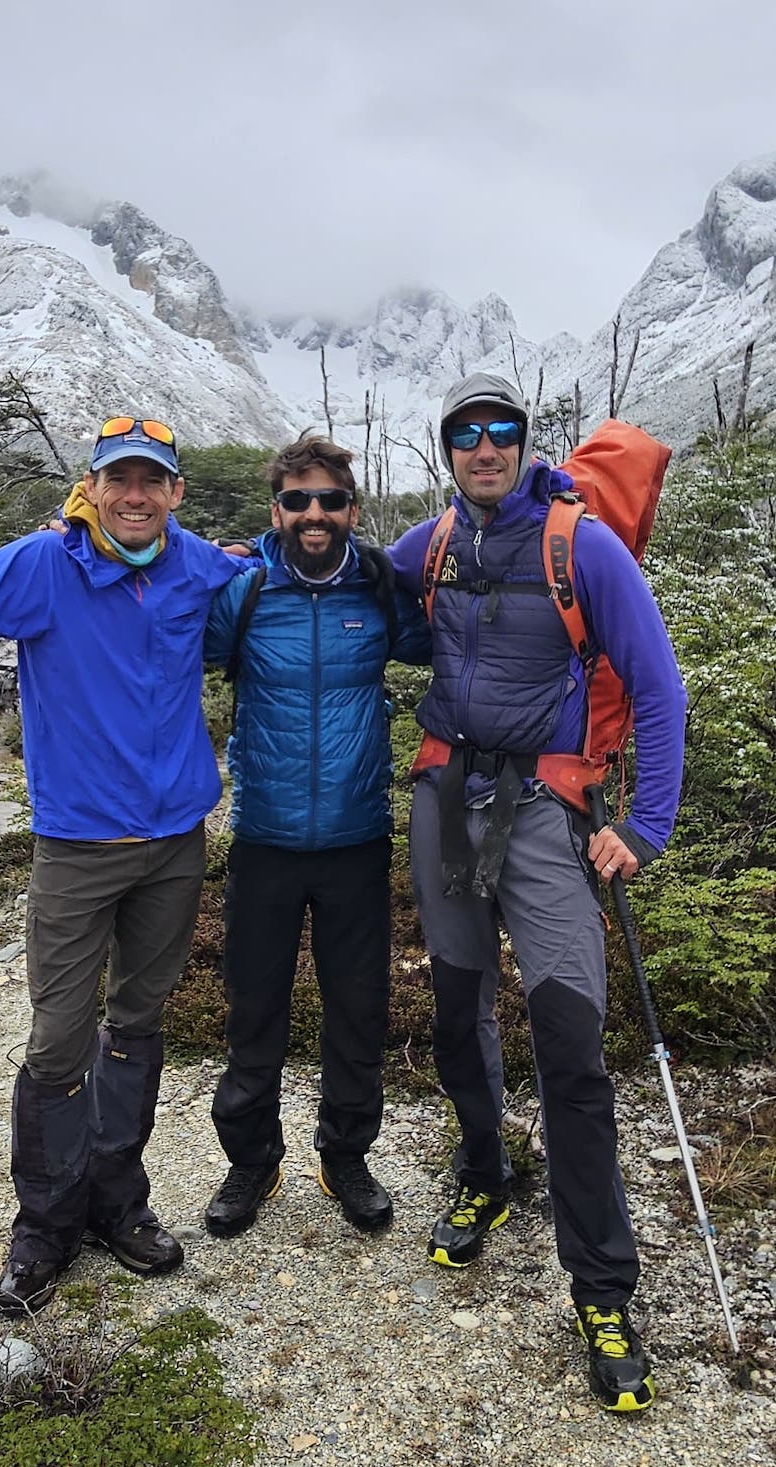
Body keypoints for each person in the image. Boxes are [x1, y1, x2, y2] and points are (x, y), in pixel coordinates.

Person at [0, 415, 250, 1319]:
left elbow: (290, 577)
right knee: (57, 1037)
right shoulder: (45, 565)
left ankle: (117, 1200)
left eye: (154, 481)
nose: (137, 496)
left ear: (176, 494)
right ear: (93, 485)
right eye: (120, 479)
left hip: (175, 842)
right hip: (77, 847)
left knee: (138, 1021)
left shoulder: (200, 565)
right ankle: (43, 1223)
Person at [384, 373, 690, 1414]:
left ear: (523, 444)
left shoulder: (580, 546)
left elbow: (659, 685)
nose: (484, 448)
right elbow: (325, 575)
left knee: (569, 1039)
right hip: (445, 800)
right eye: (466, 435)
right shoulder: (428, 547)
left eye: (500, 433)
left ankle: (603, 1291)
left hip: (550, 818)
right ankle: (486, 1172)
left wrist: (645, 825)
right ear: (447, 449)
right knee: (459, 1010)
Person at [197, 433, 429, 1239]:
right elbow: (169, 642)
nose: (315, 513)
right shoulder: (247, 591)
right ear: (277, 511)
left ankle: (346, 1157)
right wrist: (72, 538)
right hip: (263, 835)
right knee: (253, 1010)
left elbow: (450, 645)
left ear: (352, 510)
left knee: (357, 1010)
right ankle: (252, 1162)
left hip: (357, 837)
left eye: (329, 499)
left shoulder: (379, 586)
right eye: (298, 500)